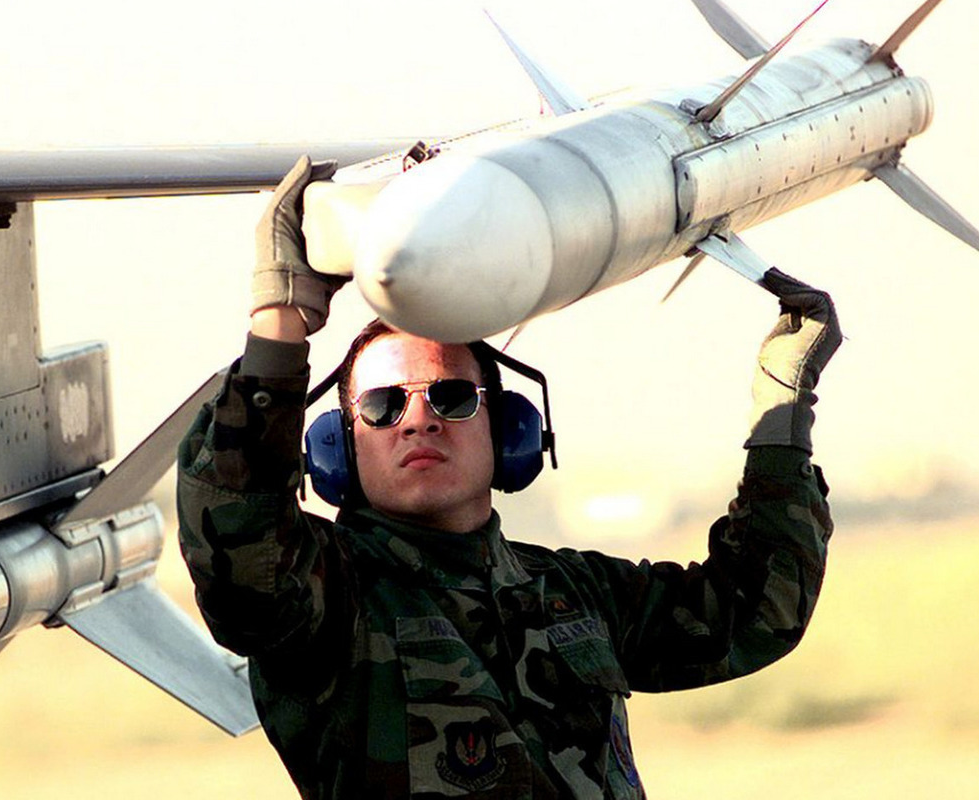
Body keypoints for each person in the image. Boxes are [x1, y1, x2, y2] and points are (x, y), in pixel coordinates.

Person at [177, 157, 840, 799]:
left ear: (507, 430)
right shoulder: (328, 600)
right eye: (381, 407)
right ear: (339, 450)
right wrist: (280, 327)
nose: (418, 421)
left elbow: (756, 613)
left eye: (451, 398)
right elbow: (238, 544)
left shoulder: (571, 591)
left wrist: (783, 406)